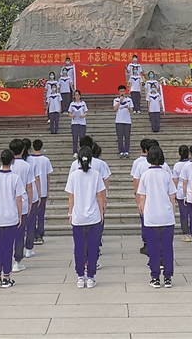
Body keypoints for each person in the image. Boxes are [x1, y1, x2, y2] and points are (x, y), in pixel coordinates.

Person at [65, 146, 106, 289]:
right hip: (93, 217)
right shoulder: (96, 174)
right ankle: (91, 276)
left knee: (79, 247)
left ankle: (80, 276)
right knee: (93, 247)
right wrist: (101, 212)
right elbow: (100, 195)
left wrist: (70, 213)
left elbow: (71, 196)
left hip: (78, 217)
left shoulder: (73, 175)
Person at [137, 145, 177, 288]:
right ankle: (168, 277)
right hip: (166, 216)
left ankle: (155, 277)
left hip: (151, 216)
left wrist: (142, 209)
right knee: (167, 247)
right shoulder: (166, 174)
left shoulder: (145, 175)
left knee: (153, 248)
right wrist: (172, 211)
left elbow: (142, 197)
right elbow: (172, 196)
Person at [0, 148, 24, 289]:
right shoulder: (15, 178)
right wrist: (20, 215)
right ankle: (6, 276)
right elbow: (19, 199)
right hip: (11, 217)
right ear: (12, 161)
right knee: (8, 247)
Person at [9, 139, 35, 273]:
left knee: (8, 234)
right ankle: (17, 260)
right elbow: (29, 186)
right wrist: (30, 202)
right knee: (20, 233)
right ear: (23, 150)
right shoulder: (26, 166)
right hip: (23, 203)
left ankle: (7, 259)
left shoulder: (7, 165)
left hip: (9, 203)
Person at [28, 139, 53, 245]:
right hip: (41, 190)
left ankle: (32, 234)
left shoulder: (29, 159)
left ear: (33, 147)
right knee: (41, 214)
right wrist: (47, 190)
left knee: (32, 214)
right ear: (42, 147)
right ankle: (40, 235)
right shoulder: (46, 160)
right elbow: (48, 176)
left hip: (32, 190)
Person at [21, 138, 40, 258]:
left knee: (19, 223)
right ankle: (28, 247)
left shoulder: (13, 162)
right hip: (30, 195)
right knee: (31, 222)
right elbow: (36, 178)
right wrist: (39, 193)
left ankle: (18, 246)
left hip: (18, 196)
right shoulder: (32, 160)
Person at [173, 145, 191, 242]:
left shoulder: (177, 165)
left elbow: (175, 181)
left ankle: (186, 233)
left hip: (180, 192)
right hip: (190, 191)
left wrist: (174, 192)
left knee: (183, 214)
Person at [113, 84, 133, 158]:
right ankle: (121, 150)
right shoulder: (116, 100)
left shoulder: (129, 100)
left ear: (125, 91)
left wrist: (128, 108)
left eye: (123, 91)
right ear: (118, 92)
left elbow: (131, 110)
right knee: (120, 137)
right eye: (121, 91)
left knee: (127, 136)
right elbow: (115, 108)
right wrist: (120, 101)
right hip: (119, 121)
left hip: (127, 121)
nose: (122, 92)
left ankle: (126, 150)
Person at [68, 90, 89, 157]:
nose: (77, 96)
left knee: (82, 138)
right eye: (75, 95)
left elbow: (86, 112)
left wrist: (83, 115)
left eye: (78, 95)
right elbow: (69, 112)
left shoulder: (83, 103)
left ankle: (82, 151)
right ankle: (75, 152)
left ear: (80, 96)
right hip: (74, 122)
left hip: (82, 122)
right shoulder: (72, 104)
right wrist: (72, 115)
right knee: (75, 138)